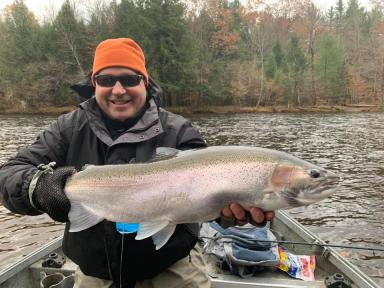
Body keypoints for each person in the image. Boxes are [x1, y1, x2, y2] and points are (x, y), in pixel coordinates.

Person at [0, 38, 274, 287]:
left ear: (145, 82)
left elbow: (210, 202)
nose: (118, 90)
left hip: (171, 265)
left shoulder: (178, 130)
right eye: (106, 79)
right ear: (94, 84)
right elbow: (9, 174)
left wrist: (230, 213)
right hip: (96, 271)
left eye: (130, 79)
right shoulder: (69, 128)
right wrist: (39, 187)